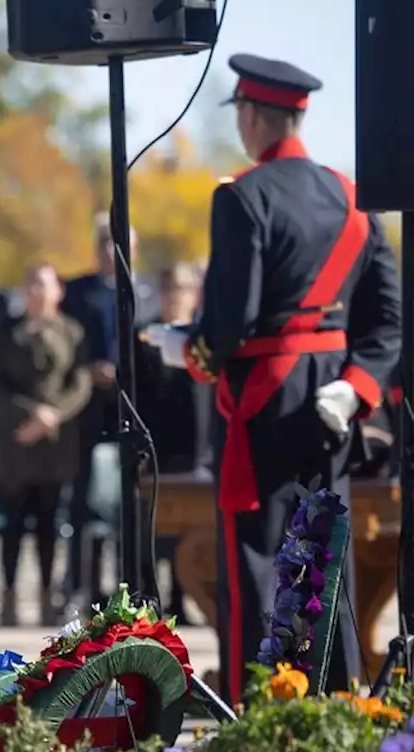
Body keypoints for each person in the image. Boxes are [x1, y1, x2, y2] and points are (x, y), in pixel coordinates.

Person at [144, 54, 401, 704]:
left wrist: (185, 351)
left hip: (264, 397)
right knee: (325, 563)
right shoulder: (352, 198)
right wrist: (357, 387)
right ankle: (338, 710)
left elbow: (231, 320)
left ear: (253, 116)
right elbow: (388, 323)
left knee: (256, 566)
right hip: (332, 405)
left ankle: (254, 711)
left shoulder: (242, 195)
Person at [61, 216, 158, 605]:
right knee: (84, 501)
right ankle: (82, 586)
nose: (110, 250)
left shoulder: (146, 293)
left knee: (130, 503)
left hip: (130, 407)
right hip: (86, 410)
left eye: (118, 243)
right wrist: (88, 369)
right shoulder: (77, 293)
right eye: (103, 242)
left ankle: (132, 585)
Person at [0, 263, 90, 626]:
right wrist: (30, 415)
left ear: (58, 291)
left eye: (45, 285)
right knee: (13, 521)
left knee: (49, 521)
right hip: (15, 439)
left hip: (55, 441)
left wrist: (52, 415)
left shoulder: (72, 332)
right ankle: (10, 595)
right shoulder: (5, 331)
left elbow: (80, 382)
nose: (38, 292)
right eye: (32, 284)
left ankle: (48, 595)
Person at [134, 262, 210, 623]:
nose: (175, 297)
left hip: (196, 447)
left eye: (183, 290)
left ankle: (183, 599)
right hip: (156, 445)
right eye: (169, 290)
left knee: (189, 531)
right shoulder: (144, 339)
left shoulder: (204, 336)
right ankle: (153, 598)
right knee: (155, 529)